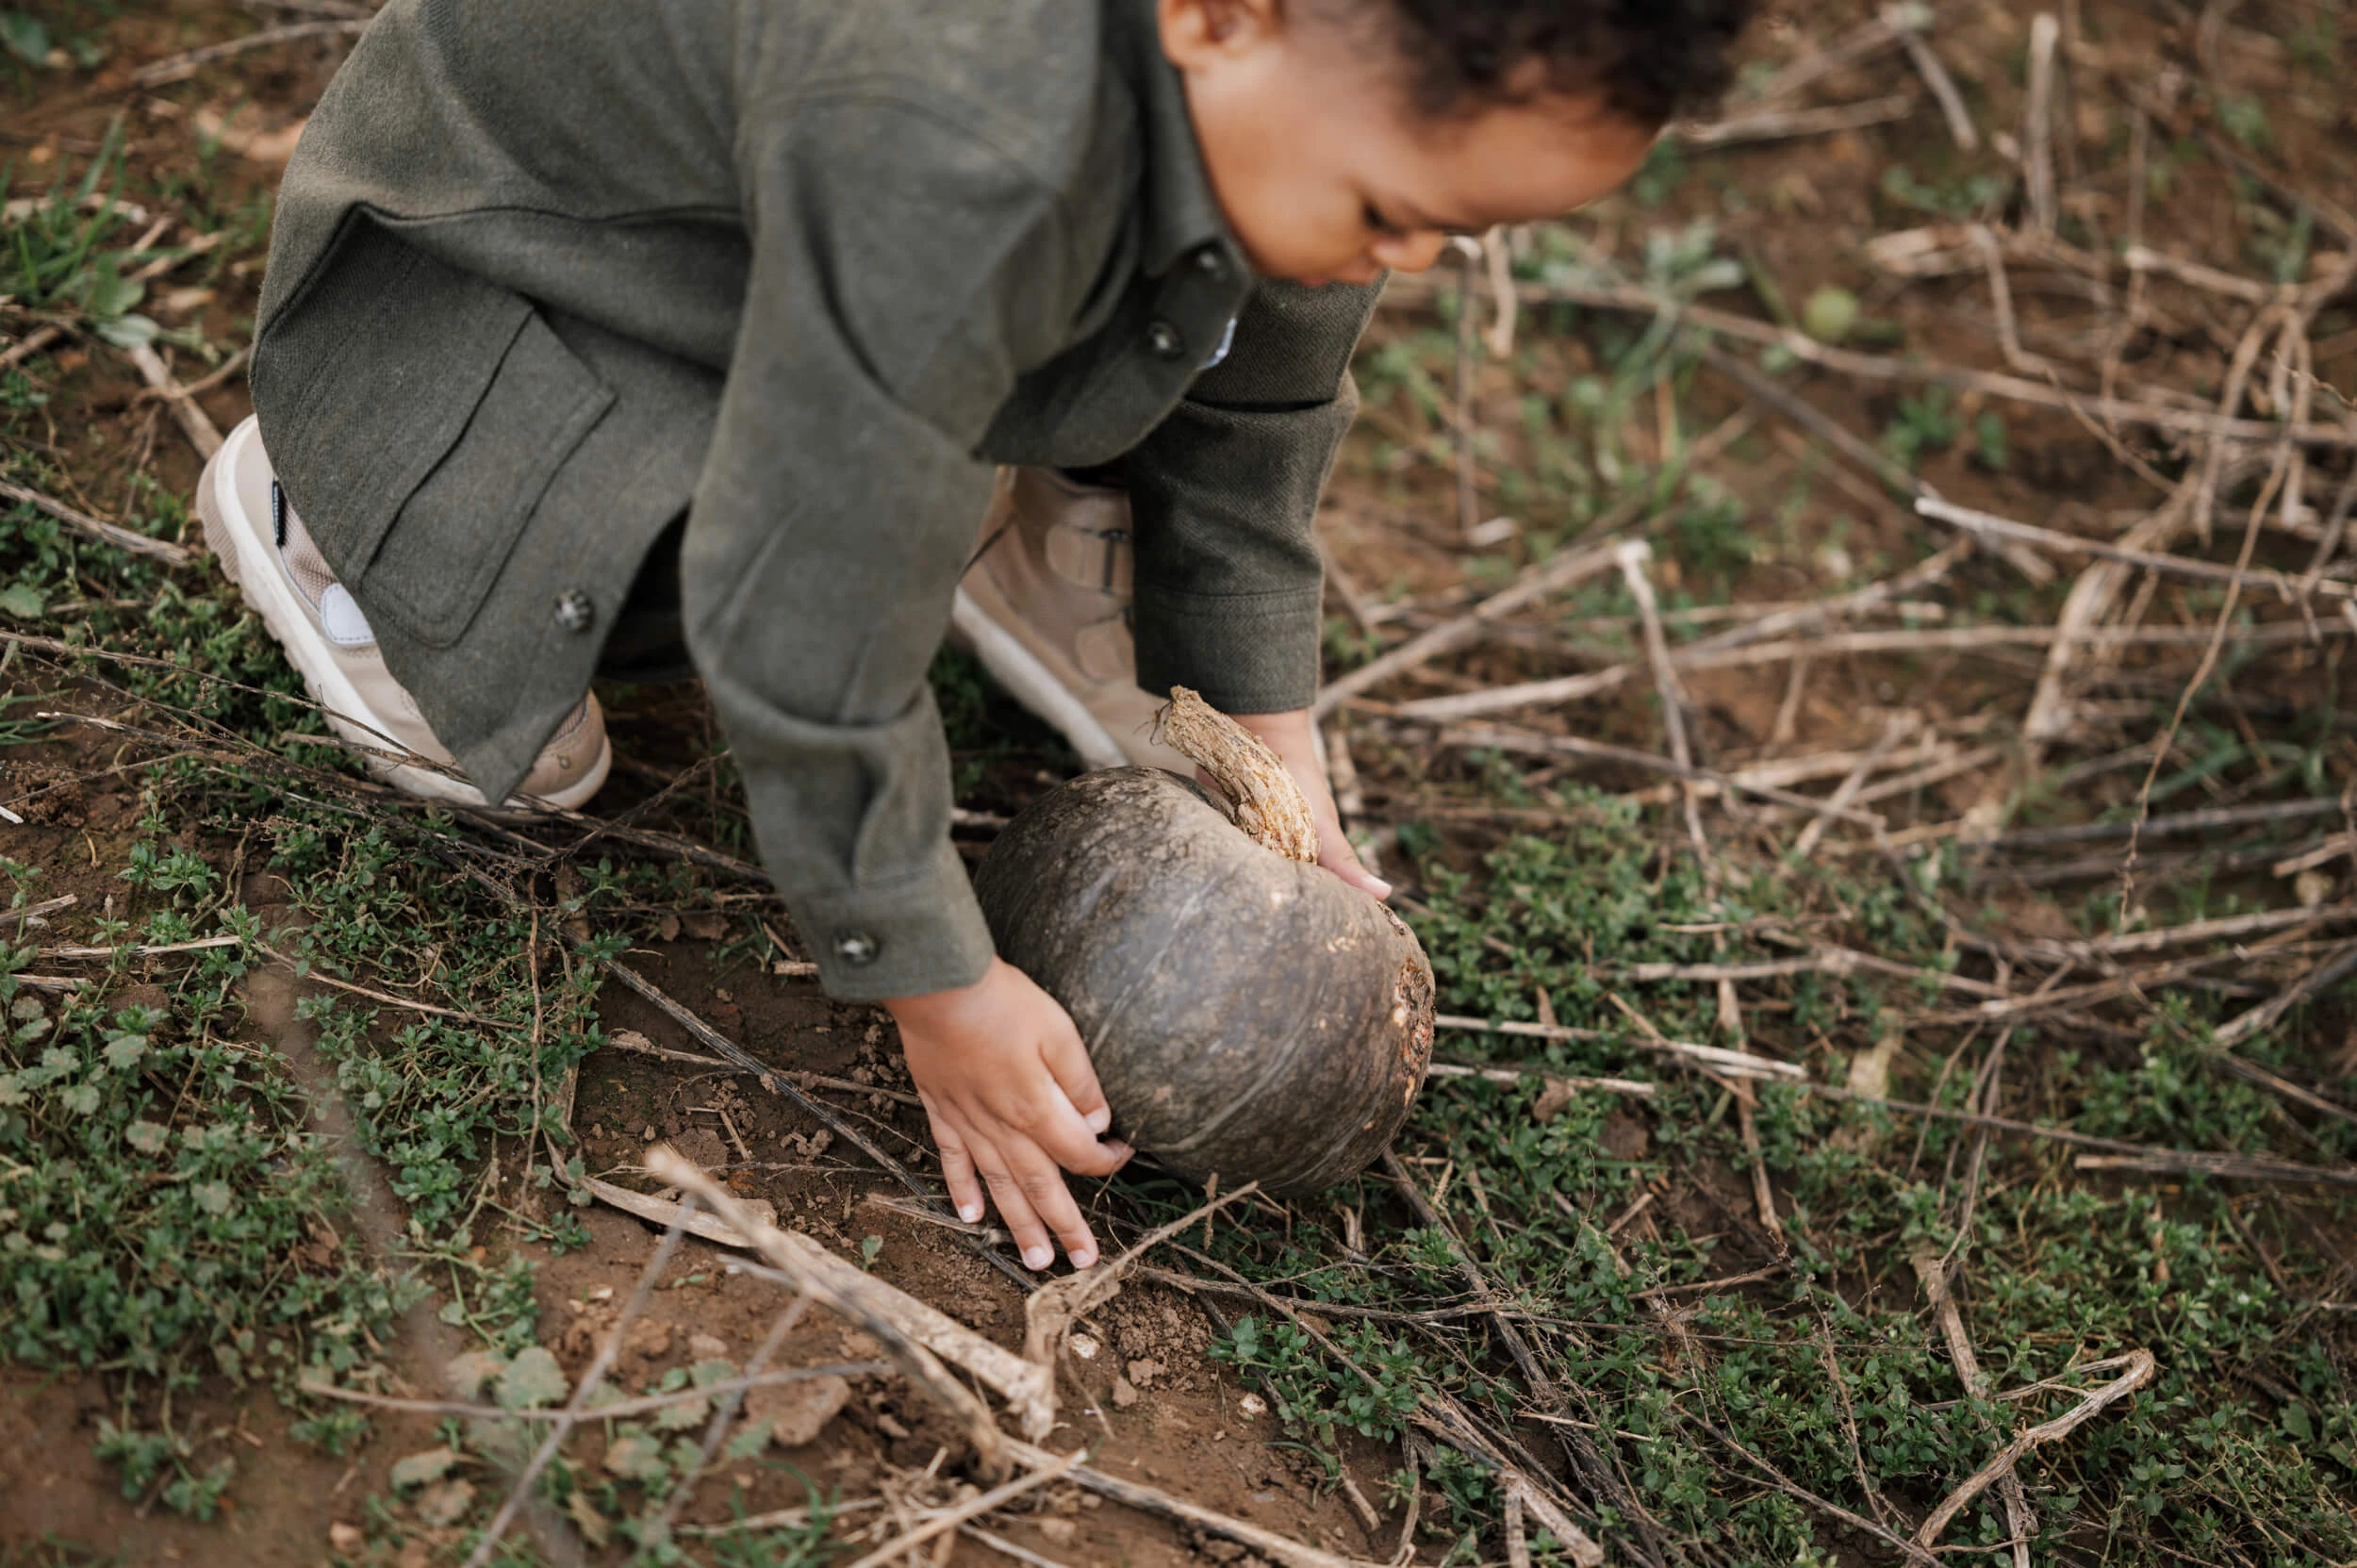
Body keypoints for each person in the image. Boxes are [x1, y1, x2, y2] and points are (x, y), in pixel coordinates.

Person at [198, 0, 1750, 1275]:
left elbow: (1264, 382)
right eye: (1394, 215)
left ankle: (1027, 472)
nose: (1403, 261)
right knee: (698, 616)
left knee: (1087, 325)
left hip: (833, 239)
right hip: (487, 264)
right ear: (1226, 16)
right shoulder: (957, 123)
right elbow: (803, 590)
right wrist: (938, 984)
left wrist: (1268, 724)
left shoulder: (1282, 87)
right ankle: (356, 499)